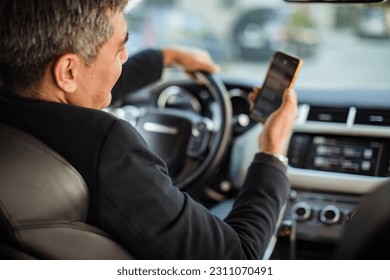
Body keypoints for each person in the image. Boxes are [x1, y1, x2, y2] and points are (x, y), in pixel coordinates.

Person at [0, 0, 297, 259]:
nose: (126, 56)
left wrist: (164, 57)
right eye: (119, 49)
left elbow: (83, 84)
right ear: (68, 71)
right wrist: (272, 152)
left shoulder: (17, 98)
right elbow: (238, 258)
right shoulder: (110, 147)